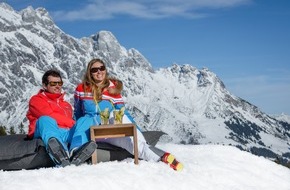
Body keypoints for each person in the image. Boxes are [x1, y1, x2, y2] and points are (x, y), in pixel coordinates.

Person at [70, 58, 183, 171]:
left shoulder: (113, 90)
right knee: (82, 120)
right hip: (90, 129)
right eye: (94, 70)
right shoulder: (81, 89)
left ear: (105, 70)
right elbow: (77, 113)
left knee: (129, 134)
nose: (99, 72)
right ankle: (76, 153)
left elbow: (124, 112)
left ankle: (164, 158)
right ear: (90, 73)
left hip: (107, 130)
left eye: (101, 68)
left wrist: (137, 131)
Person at [26, 69, 97, 167]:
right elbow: (51, 115)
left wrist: (77, 125)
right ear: (44, 85)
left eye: (60, 83)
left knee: (86, 119)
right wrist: (73, 124)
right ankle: (60, 154)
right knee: (45, 119)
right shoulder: (36, 100)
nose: (57, 86)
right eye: (53, 83)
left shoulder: (66, 105)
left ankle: (76, 151)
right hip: (48, 130)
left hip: (66, 132)